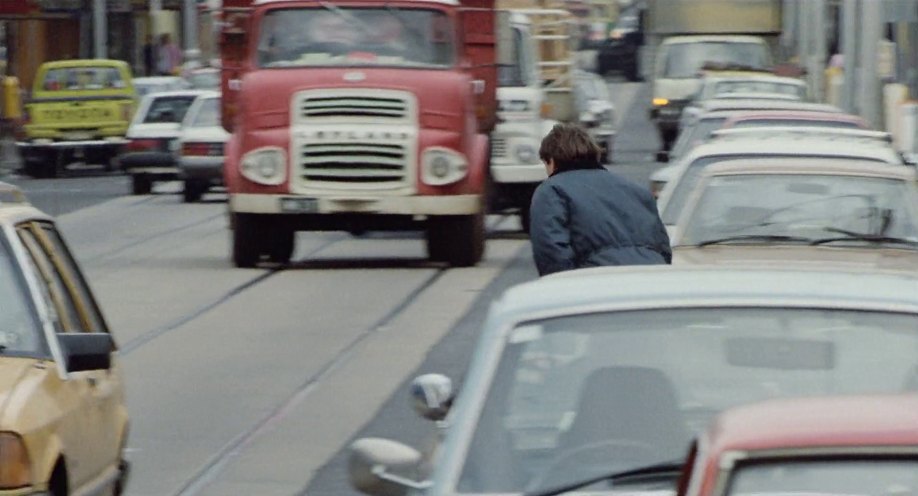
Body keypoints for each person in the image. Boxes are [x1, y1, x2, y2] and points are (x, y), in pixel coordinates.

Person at [529, 123, 671, 276]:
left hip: (597, 283)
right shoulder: (637, 191)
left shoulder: (552, 191)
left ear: (551, 160)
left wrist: (564, 286)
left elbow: (551, 250)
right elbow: (662, 246)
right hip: (651, 279)